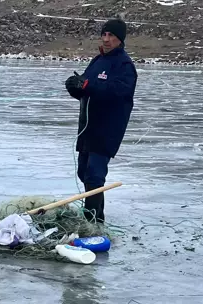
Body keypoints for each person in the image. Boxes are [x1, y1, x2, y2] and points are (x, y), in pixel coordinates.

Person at [65, 18, 137, 222]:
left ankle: (93, 221)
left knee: (94, 175)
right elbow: (87, 89)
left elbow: (119, 91)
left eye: (111, 35)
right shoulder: (97, 61)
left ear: (120, 40)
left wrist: (88, 86)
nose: (106, 39)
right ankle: (97, 214)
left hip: (107, 129)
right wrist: (75, 88)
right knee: (83, 172)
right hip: (88, 127)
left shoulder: (124, 65)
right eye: (104, 34)